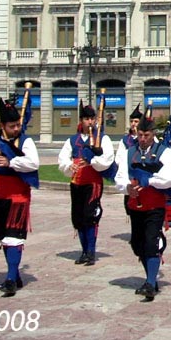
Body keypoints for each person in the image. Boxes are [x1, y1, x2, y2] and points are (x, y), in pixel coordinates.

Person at [0, 99, 40, 297]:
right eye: (12, 126)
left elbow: (33, 163)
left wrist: (11, 162)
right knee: (4, 237)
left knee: (14, 236)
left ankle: (11, 279)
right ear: (2, 126)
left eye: (18, 125)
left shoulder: (25, 141)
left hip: (18, 197)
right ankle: (15, 274)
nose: (16, 129)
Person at [114, 114, 171, 301]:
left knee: (151, 242)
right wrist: (126, 187)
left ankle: (150, 283)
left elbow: (170, 177)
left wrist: (149, 180)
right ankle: (151, 277)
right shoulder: (129, 152)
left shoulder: (164, 152)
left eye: (146, 135)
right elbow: (120, 176)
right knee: (137, 244)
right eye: (140, 135)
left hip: (155, 206)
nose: (142, 139)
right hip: (135, 206)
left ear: (153, 134)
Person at [58, 102, 114, 266]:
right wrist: (70, 166)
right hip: (77, 182)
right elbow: (62, 159)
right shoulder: (72, 140)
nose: (89, 122)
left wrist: (93, 160)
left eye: (92, 119)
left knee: (91, 216)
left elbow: (107, 160)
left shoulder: (102, 138)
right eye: (86, 119)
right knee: (78, 217)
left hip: (93, 183)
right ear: (81, 120)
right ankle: (84, 251)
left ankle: (91, 251)